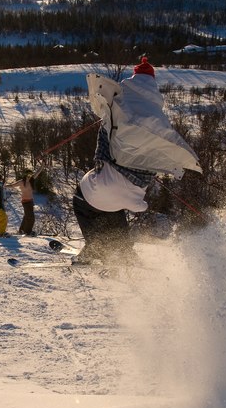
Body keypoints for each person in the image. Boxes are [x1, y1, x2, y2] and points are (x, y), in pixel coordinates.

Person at [72, 56, 201, 265]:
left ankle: (95, 248)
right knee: (114, 201)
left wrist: (104, 132)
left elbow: (102, 150)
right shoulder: (158, 122)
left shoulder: (118, 114)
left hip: (108, 186)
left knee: (83, 199)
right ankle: (124, 252)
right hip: (134, 194)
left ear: (132, 81)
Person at [6, 166, 44, 235]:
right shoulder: (21, 182)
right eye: (28, 174)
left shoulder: (31, 180)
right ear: (25, 175)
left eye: (30, 174)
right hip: (25, 202)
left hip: (30, 201)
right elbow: (12, 185)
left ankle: (22, 230)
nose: (29, 176)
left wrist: (42, 165)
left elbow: (38, 172)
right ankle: (28, 231)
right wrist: (3, 185)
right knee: (31, 217)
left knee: (27, 216)